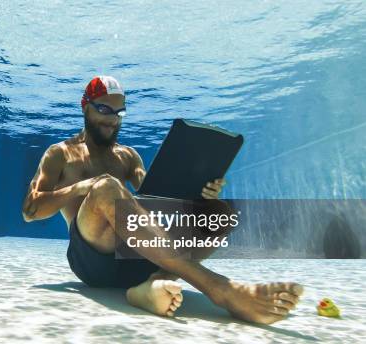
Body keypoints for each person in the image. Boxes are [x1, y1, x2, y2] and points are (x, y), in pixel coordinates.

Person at [22, 75, 303, 324]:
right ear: (86, 107)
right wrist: (83, 187)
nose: (112, 119)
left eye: (120, 112)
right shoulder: (59, 153)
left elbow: (156, 198)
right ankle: (220, 290)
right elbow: (30, 210)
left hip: (135, 255)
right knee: (107, 186)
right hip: (91, 260)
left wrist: (202, 196)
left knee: (223, 212)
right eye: (104, 109)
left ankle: (154, 286)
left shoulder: (128, 156)